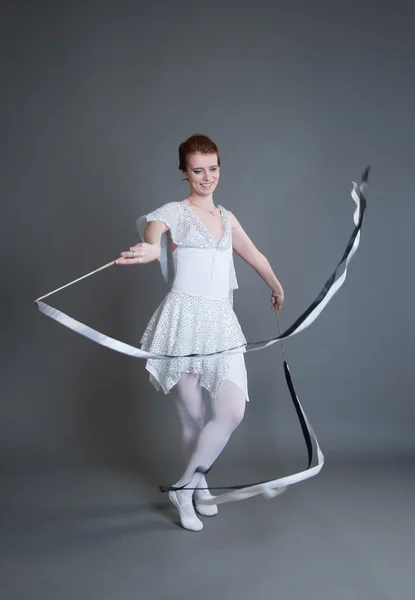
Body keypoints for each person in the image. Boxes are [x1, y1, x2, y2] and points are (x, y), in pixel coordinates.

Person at [116, 134, 284, 531]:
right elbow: (153, 237)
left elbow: (255, 255)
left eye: (213, 169)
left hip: (221, 323)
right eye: (197, 170)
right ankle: (196, 488)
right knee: (193, 417)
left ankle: (186, 486)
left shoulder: (228, 218)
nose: (207, 177)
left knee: (231, 410)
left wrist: (275, 284)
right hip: (182, 321)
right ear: (183, 172)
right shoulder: (172, 212)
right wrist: (151, 250)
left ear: (219, 168)